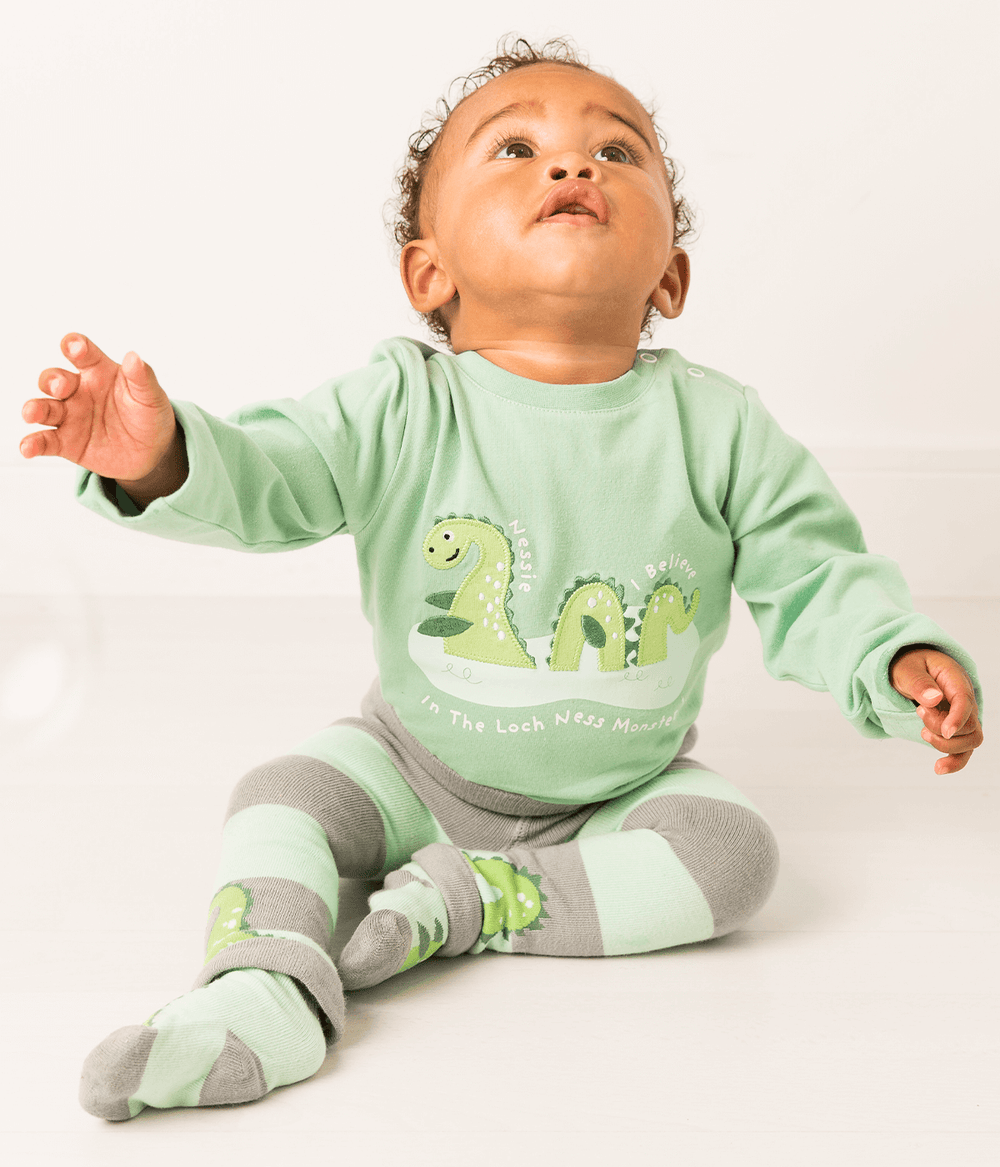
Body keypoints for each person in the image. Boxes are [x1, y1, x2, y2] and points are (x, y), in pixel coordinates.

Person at [20, 38, 984, 1122]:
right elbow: (271, 475)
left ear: (669, 275)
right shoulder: (400, 407)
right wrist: (161, 458)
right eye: (517, 150)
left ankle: (474, 900)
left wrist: (891, 656)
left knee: (736, 859)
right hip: (411, 762)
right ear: (429, 273)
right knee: (281, 795)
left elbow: (813, 570)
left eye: (616, 152)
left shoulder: (718, 429)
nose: (573, 167)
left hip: (619, 790)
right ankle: (263, 984)